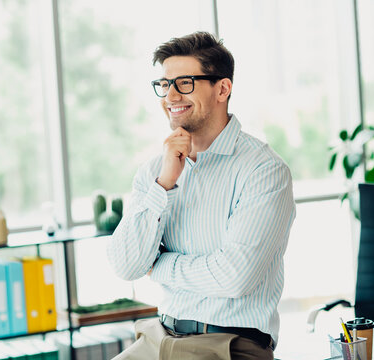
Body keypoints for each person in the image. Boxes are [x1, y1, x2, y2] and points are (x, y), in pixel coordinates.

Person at [107, 31, 296, 360]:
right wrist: (163, 185)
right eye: (165, 85)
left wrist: (158, 265)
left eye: (184, 83)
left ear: (222, 88)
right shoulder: (156, 171)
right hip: (158, 337)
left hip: (228, 345)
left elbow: (234, 278)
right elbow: (125, 265)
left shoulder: (263, 170)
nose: (171, 96)